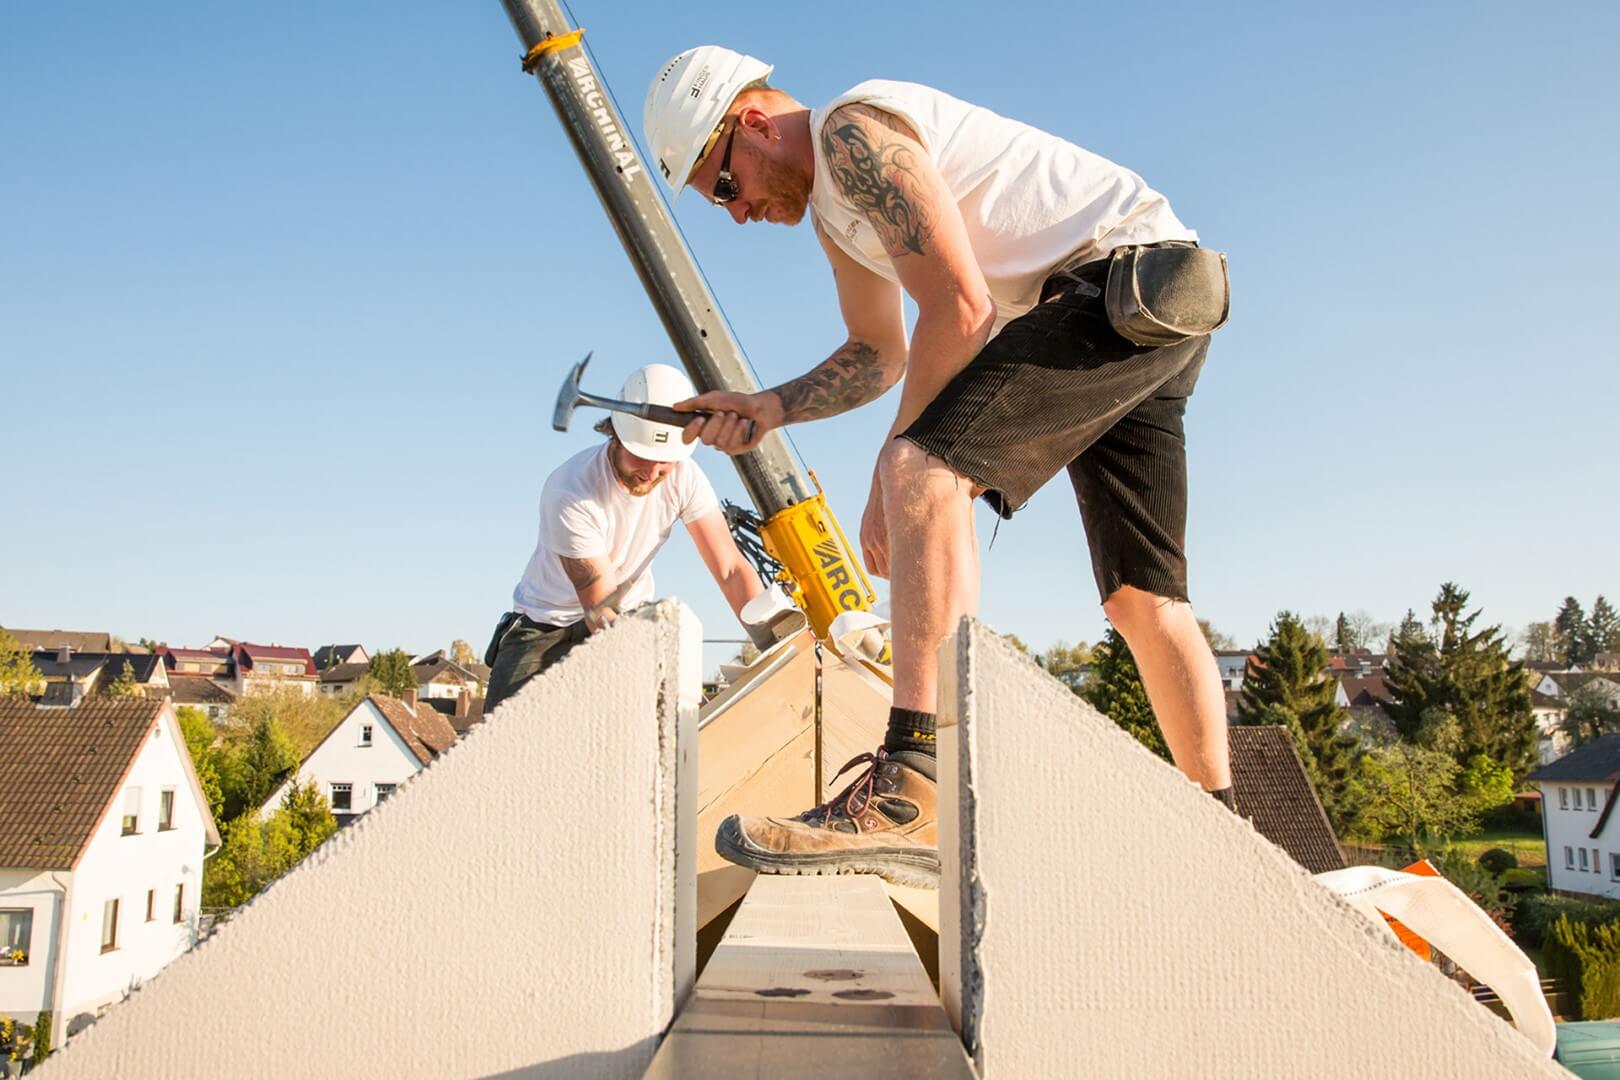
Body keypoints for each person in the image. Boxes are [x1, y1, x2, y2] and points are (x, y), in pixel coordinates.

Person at [642, 47, 1233, 887]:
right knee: (1143, 598)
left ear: (753, 124)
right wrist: (770, 405)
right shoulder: (837, 219)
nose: (735, 216)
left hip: (1120, 282)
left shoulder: (854, 132)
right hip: (1160, 297)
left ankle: (912, 780)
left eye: (724, 188)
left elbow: (962, 307)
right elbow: (877, 355)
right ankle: (1224, 833)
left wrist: (896, 467)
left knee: (922, 470)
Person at [483, 363, 766, 713]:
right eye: (642, 456)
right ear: (614, 433)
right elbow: (601, 608)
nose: (651, 472)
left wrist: (771, 640)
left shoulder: (684, 476)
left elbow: (730, 569)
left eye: (664, 462)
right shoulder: (571, 491)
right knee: (505, 745)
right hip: (546, 630)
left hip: (626, 618)